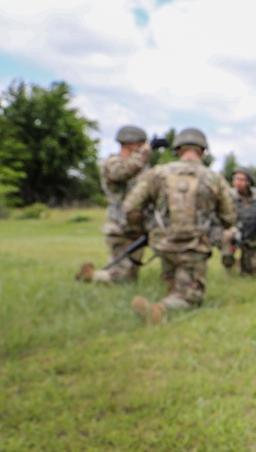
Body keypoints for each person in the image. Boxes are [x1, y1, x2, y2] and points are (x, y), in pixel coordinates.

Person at [122, 128, 235, 324]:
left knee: (173, 280)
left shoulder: (157, 173)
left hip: (163, 244)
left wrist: (143, 229)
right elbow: (229, 216)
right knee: (192, 297)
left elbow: (130, 207)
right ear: (203, 151)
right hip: (194, 247)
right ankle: (159, 310)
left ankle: (171, 294)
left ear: (178, 149)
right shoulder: (213, 178)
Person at [75, 125, 154, 284]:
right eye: (141, 144)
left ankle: (97, 274)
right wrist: (146, 152)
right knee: (122, 278)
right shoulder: (112, 163)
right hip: (120, 227)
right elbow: (123, 172)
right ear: (130, 144)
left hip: (138, 227)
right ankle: (90, 276)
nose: (143, 148)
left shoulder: (140, 167)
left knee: (130, 277)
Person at [220, 166, 256, 276]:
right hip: (233, 231)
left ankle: (245, 264)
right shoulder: (229, 195)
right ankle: (230, 266)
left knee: (252, 271)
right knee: (227, 252)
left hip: (252, 233)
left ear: (248, 182)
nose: (237, 182)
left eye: (241, 179)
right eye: (235, 178)